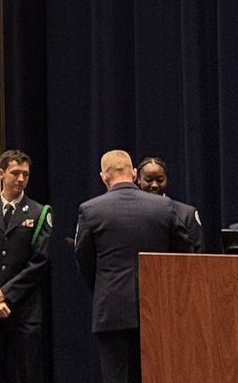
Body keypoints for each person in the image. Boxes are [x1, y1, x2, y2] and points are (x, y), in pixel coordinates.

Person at [75, 149, 192, 383]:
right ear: (135, 173)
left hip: (111, 308)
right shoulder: (164, 206)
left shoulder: (90, 210)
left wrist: (103, 289)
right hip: (159, 307)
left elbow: (84, 259)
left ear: (103, 177)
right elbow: (184, 256)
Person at [0, 150, 51, 383]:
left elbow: (40, 261)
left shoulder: (38, 212)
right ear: (1, 173)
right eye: (15, 173)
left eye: (25, 174)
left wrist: (6, 294)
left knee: (29, 372)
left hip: (24, 308)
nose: (21, 179)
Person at [136, 157, 205, 251]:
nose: (155, 185)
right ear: (139, 179)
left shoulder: (186, 214)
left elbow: (198, 254)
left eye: (160, 180)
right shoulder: (131, 212)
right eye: (149, 180)